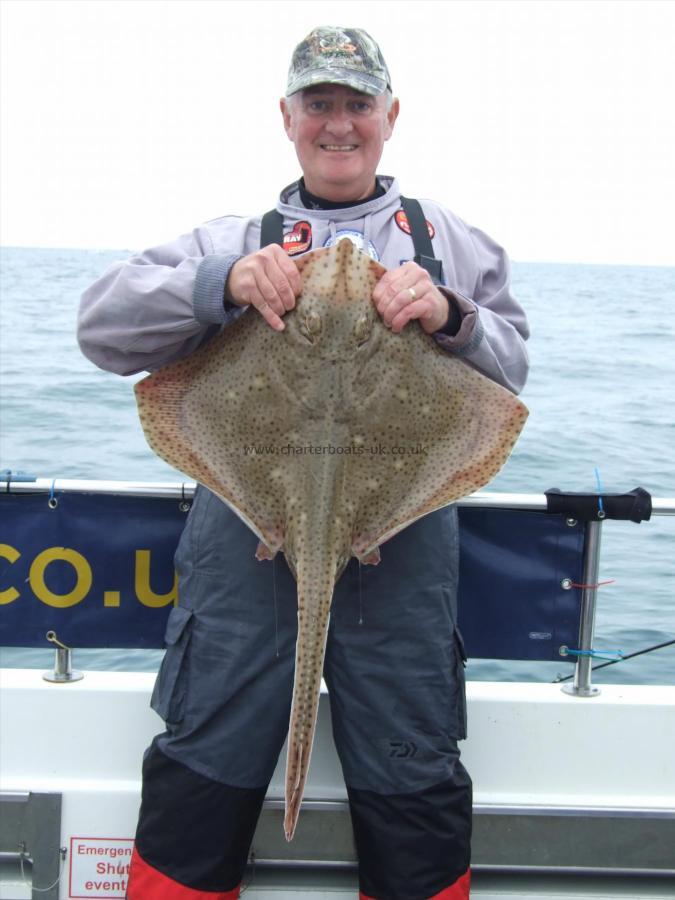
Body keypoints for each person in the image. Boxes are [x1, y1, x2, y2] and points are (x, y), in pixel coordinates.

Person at [78, 25, 529, 900]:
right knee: (206, 747)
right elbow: (101, 330)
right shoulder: (235, 234)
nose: (337, 123)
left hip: (400, 541)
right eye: (317, 103)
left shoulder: (452, 242)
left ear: (389, 116)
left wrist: (447, 312)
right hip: (249, 527)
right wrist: (221, 285)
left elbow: (511, 372)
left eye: (355, 104)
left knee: (411, 760)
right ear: (286, 118)